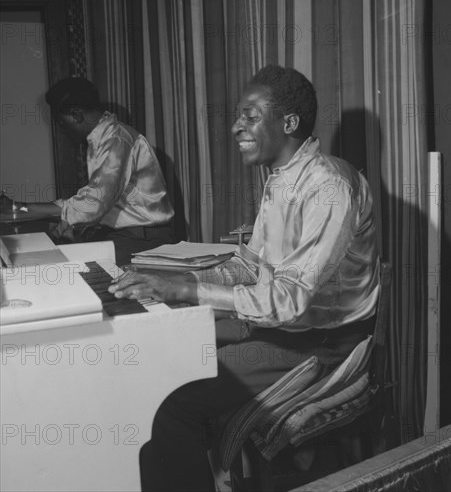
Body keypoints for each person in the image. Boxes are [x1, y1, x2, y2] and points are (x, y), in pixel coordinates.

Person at [109, 65, 380, 491]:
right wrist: (163, 278)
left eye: (250, 116)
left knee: (172, 404)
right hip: (281, 328)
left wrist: (186, 289)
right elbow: (249, 265)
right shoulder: (283, 178)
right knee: (156, 356)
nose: (236, 127)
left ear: (288, 122)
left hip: (320, 342)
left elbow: (289, 300)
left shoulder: (329, 188)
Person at [16, 77, 175, 265]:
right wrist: (25, 210)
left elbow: (93, 204)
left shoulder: (116, 141)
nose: (62, 129)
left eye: (60, 122)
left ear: (76, 115)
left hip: (144, 240)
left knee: (64, 268)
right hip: (128, 235)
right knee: (46, 256)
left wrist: (20, 210)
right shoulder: (103, 139)